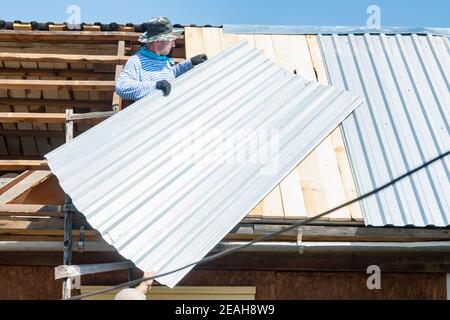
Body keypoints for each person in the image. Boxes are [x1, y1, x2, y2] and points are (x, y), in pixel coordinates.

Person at [115, 16, 208, 101]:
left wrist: (190, 63)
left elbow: (168, 76)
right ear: (158, 40)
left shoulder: (162, 60)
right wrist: (155, 86)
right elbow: (121, 86)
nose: (173, 44)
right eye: (171, 40)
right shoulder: (136, 61)